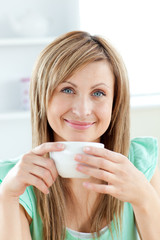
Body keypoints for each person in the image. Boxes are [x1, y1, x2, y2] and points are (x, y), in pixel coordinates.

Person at [0, 31, 160, 240]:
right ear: (42, 96)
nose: (82, 110)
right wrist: (7, 198)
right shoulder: (13, 183)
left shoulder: (142, 163)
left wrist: (144, 198)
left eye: (98, 93)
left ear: (115, 103)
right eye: (67, 90)